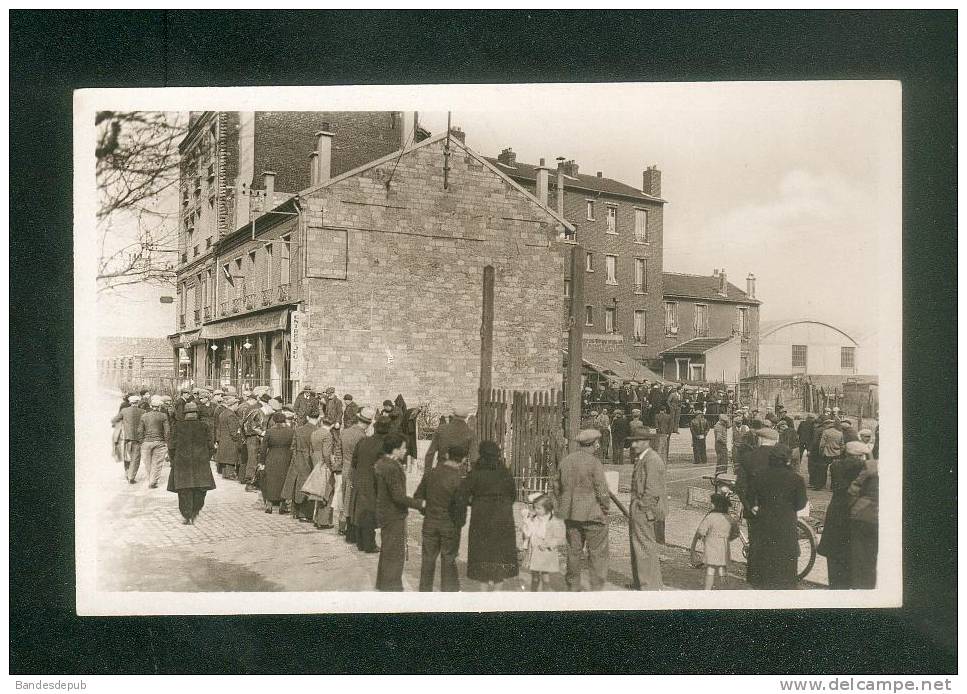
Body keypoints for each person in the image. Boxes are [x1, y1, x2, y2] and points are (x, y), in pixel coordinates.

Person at [455, 440, 519, 590]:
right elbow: (513, 495)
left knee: (482, 554)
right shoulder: (505, 472)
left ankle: (484, 595)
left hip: (481, 516)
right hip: (503, 517)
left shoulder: (476, 473)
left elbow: (461, 495)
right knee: (500, 554)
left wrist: (474, 502)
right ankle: (497, 593)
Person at [553, 429, 610, 591]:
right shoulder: (594, 463)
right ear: (594, 444)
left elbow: (556, 486)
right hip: (593, 515)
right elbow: (602, 490)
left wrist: (563, 505)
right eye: (597, 442)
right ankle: (596, 588)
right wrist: (605, 508)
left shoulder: (566, 461)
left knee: (573, 552)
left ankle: (572, 586)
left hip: (571, 515)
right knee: (597, 553)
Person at [746, 443, 808, 589]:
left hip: (764, 520)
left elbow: (750, 496)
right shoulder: (796, 479)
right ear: (788, 460)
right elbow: (801, 504)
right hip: (785, 521)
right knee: (784, 555)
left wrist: (756, 507)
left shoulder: (759, 474)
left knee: (764, 553)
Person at [373, 432, 426, 591]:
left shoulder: (382, 463)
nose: (405, 451)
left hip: (384, 512)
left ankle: (384, 584)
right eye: (403, 448)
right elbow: (398, 497)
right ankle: (392, 588)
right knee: (395, 554)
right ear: (395, 449)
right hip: (393, 514)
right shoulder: (391, 468)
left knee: (388, 551)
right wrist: (420, 504)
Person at [414, 444, 468, 592]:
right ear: (463, 460)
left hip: (430, 522)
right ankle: (448, 594)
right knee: (448, 559)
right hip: (449, 524)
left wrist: (427, 511)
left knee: (428, 559)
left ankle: (425, 593)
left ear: (448, 455)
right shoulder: (459, 479)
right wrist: (458, 524)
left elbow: (418, 497)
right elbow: (461, 508)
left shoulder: (431, 473)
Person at [817, 440, 869, 588]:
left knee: (835, 565)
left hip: (836, 514)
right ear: (860, 456)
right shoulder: (864, 468)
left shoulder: (836, 466)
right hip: (856, 515)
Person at [627, 431, 666, 590]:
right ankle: (640, 582)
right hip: (640, 507)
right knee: (637, 545)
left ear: (646, 442)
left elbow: (652, 491)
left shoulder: (652, 460)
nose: (633, 445)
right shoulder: (644, 458)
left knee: (644, 547)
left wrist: (642, 508)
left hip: (645, 510)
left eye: (636, 441)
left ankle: (649, 586)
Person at [167, 401, 216, 524]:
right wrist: (206, 457)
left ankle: (187, 515)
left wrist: (174, 460)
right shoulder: (204, 426)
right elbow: (211, 446)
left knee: (184, 490)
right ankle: (195, 511)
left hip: (182, 463)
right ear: (196, 413)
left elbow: (171, 446)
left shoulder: (177, 426)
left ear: (185, 414)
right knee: (200, 489)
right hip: (201, 462)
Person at [349, 415, 392, 553]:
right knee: (370, 513)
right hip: (374, 483)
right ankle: (369, 545)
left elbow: (354, 461)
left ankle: (361, 543)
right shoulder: (386, 445)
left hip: (360, 480)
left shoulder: (363, 441)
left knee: (362, 511)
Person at [339, 406, 374, 540]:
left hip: (345, 468)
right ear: (368, 423)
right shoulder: (363, 437)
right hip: (356, 470)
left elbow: (339, 452)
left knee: (345, 498)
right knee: (353, 500)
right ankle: (351, 530)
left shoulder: (345, 432)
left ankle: (342, 525)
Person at [281, 403, 320, 522]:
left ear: (307, 417)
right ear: (318, 418)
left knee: (297, 484)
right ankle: (307, 514)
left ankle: (296, 512)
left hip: (298, 458)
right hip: (311, 460)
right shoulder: (318, 431)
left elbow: (292, 446)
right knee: (309, 485)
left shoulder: (298, 430)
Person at [520, 492, 566, 592]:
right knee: (535, 576)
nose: (535, 510)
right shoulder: (534, 519)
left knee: (545, 576)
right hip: (535, 551)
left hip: (546, 553)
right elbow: (528, 533)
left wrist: (548, 544)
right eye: (534, 508)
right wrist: (526, 522)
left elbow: (559, 538)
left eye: (538, 508)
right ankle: (534, 595)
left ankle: (545, 596)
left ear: (547, 508)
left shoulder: (553, 521)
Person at [695, 493, 738, 590]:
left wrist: (703, 538)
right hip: (724, 546)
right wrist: (728, 538)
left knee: (710, 569)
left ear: (716, 505)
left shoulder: (710, 517)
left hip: (711, 545)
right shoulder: (729, 518)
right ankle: (722, 589)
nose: (711, 505)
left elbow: (701, 531)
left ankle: (707, 590)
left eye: (712, 503)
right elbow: (736, 533)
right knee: (722, 569)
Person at [848, 456, 879, 588]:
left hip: (863, 513)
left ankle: (860, 587)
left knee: (859, 554)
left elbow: (853, 489)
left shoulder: (872, 465)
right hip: (882, 516)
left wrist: (852, 506)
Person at [304, 415, 337, 528]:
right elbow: (327, 453)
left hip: (315, 462)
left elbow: (311, 450)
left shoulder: (315, 432)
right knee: (327, 491)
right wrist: (330, 466)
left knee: (318, 492)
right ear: (332, 425)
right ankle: (323, 521)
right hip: (324, 464)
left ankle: (317, 518)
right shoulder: (328, 435)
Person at [258, 412, 294, 514]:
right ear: (285, 420)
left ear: (274, 420)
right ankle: (282, 506)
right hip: (286, 457)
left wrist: (261, 462)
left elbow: (263, 448)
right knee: (283, 480)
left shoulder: (269, 432)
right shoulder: (290, 431)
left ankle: (269, 505)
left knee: (270, 480)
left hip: (272, 457)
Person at [424, 405, 477, 470]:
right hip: (459, 473)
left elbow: (430, 453)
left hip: (441, 471)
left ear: (454, 415)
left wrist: (427, 473)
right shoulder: (470, 434)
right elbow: (474, 458)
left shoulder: (441, 429)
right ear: (466, 417)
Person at [137, 395, 171, 489]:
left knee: (147, 462)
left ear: (151, 406)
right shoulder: (163, 415)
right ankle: (153, 481)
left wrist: (141, 442)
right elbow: (167, 431)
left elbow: (140, 430)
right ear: (159, 407)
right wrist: (166, 442)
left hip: (146, 442)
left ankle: (150, 479)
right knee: (157, 462)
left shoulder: (144, 416)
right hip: (159, 441)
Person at [241, 395, 272, 491]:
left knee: (255, 459)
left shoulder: (257, 410)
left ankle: (254, 482)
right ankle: (249, 482)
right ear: (266, 404)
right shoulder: (258, 412)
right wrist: (263, 433)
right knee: (253, 459)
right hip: (253, 438)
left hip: (254, 438)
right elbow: (253, 426)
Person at [115, 394, 145, 484]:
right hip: (137, 438)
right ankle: (131, 477)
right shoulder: (143, 411)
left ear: (130, 402)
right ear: (137, 402)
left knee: (127, 457)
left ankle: (127, 473)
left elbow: (116, 419)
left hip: (127, 438)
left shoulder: (124, 411)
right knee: (135, 458)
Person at [213, 395, 243, 481]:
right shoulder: (231, 415)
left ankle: (225, 473)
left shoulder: (223, 413)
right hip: (230, 439)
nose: (237, 407)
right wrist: (237, 437)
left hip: (223, 438)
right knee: (230, 457)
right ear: (233, 405)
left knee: (225, 456)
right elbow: (233, 430)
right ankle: (230, 474)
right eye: (237, 405)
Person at [815, 418, 845, 490]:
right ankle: (834, 486)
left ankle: (820, 485)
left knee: (822, 469)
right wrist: (840, 452)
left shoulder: (825, 432)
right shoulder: (840, 433)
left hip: (826, 453)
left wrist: (820, 452)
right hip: (836, 454)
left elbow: (822, 444)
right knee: (835, 470)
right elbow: (842, 445)